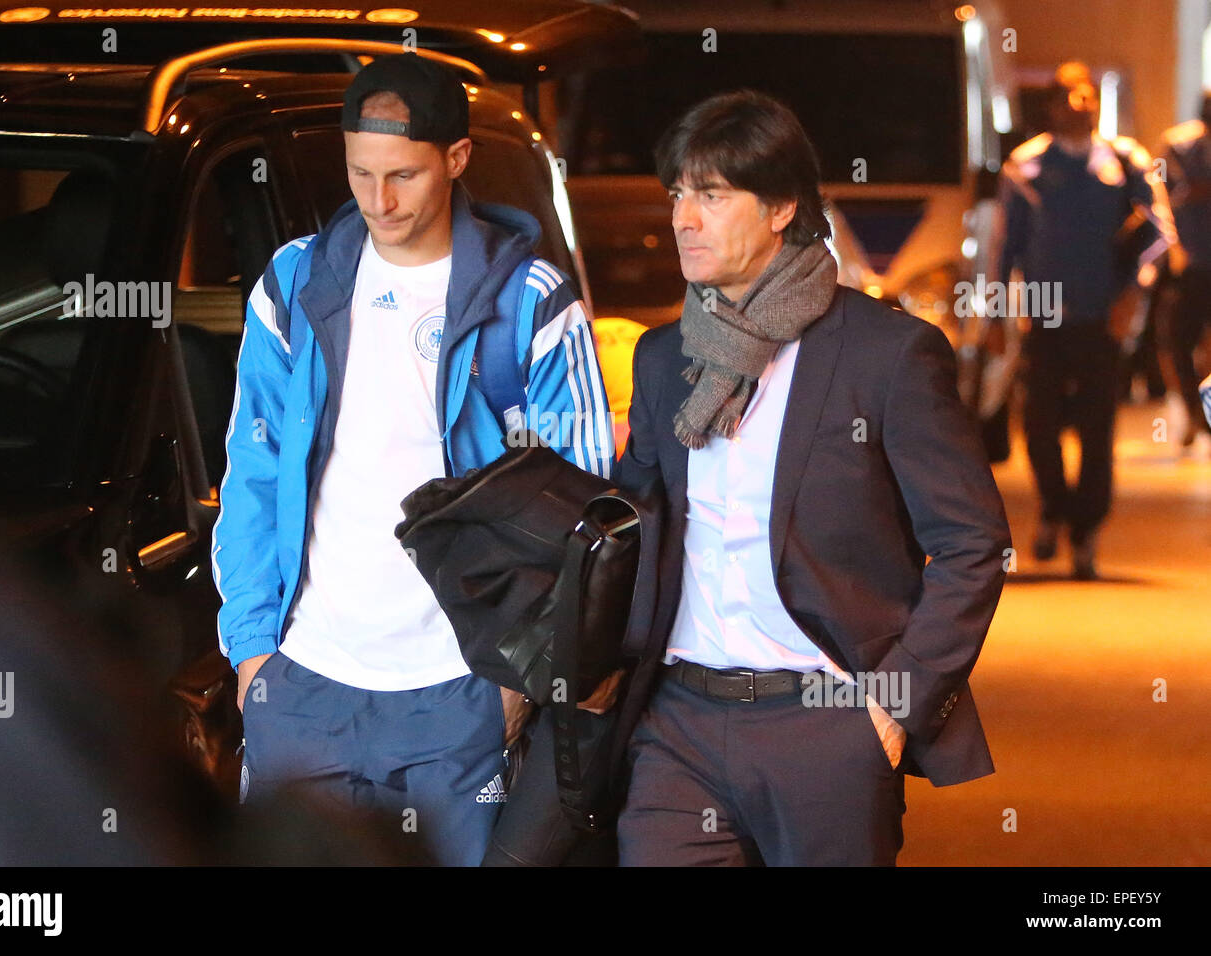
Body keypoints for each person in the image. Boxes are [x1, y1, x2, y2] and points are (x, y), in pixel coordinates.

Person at [211, 53, 614, 866]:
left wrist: (514, 686)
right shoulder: (295, 282)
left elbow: (590, 518)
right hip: (301, 683)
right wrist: (255, 653)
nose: (379, 200)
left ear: (457, 160)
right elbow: (251, 470)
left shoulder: (530, 303)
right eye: (360, 173)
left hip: (456, 694)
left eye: (404, 175)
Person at [610, 89, 1011, 866]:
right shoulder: (664, 359)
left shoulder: (885, 355)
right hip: (677, 726)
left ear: (782, 207)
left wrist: (893, 705)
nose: (683, 218)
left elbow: (972, 544)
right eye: (678, 195)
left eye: (713, 195)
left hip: (824, 724)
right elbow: (637, 524)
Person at [998, 61, 1176, 579]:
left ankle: (1085, 532)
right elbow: (1004, 245)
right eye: (1072, 95)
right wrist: (991, 314)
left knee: (1098, 429)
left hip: (1103, 318)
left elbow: (1160, 233)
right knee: (1041, 424)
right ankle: (1054, 506)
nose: (1084, 102)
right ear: (1052, 105)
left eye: (1089, 94)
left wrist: (1132, 296)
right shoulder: (1026, 166)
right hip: (1045, 315)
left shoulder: (1124, 160)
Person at [1158, 96, 1211, 454]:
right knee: (1178, 342)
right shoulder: (1180, 144)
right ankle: (1195, 412)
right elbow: (1162, 190)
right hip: (1192, 264)